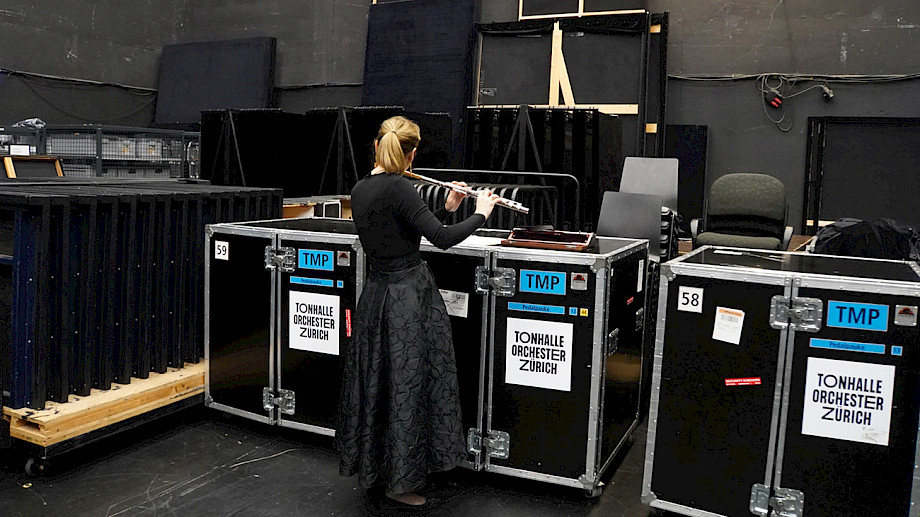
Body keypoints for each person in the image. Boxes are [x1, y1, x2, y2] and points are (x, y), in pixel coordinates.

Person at [336, 116, 500, 508]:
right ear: (411, 154)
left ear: (378, 147)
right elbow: (441, 240)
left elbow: (401, 232)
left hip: (376, 298)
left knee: (381, 386)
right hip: (408, 300)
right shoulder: (400, 187)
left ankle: (380, 472)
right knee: (407, 388)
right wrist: (481, 212)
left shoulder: (361, 189)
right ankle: (401, 483)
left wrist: (447, 206)